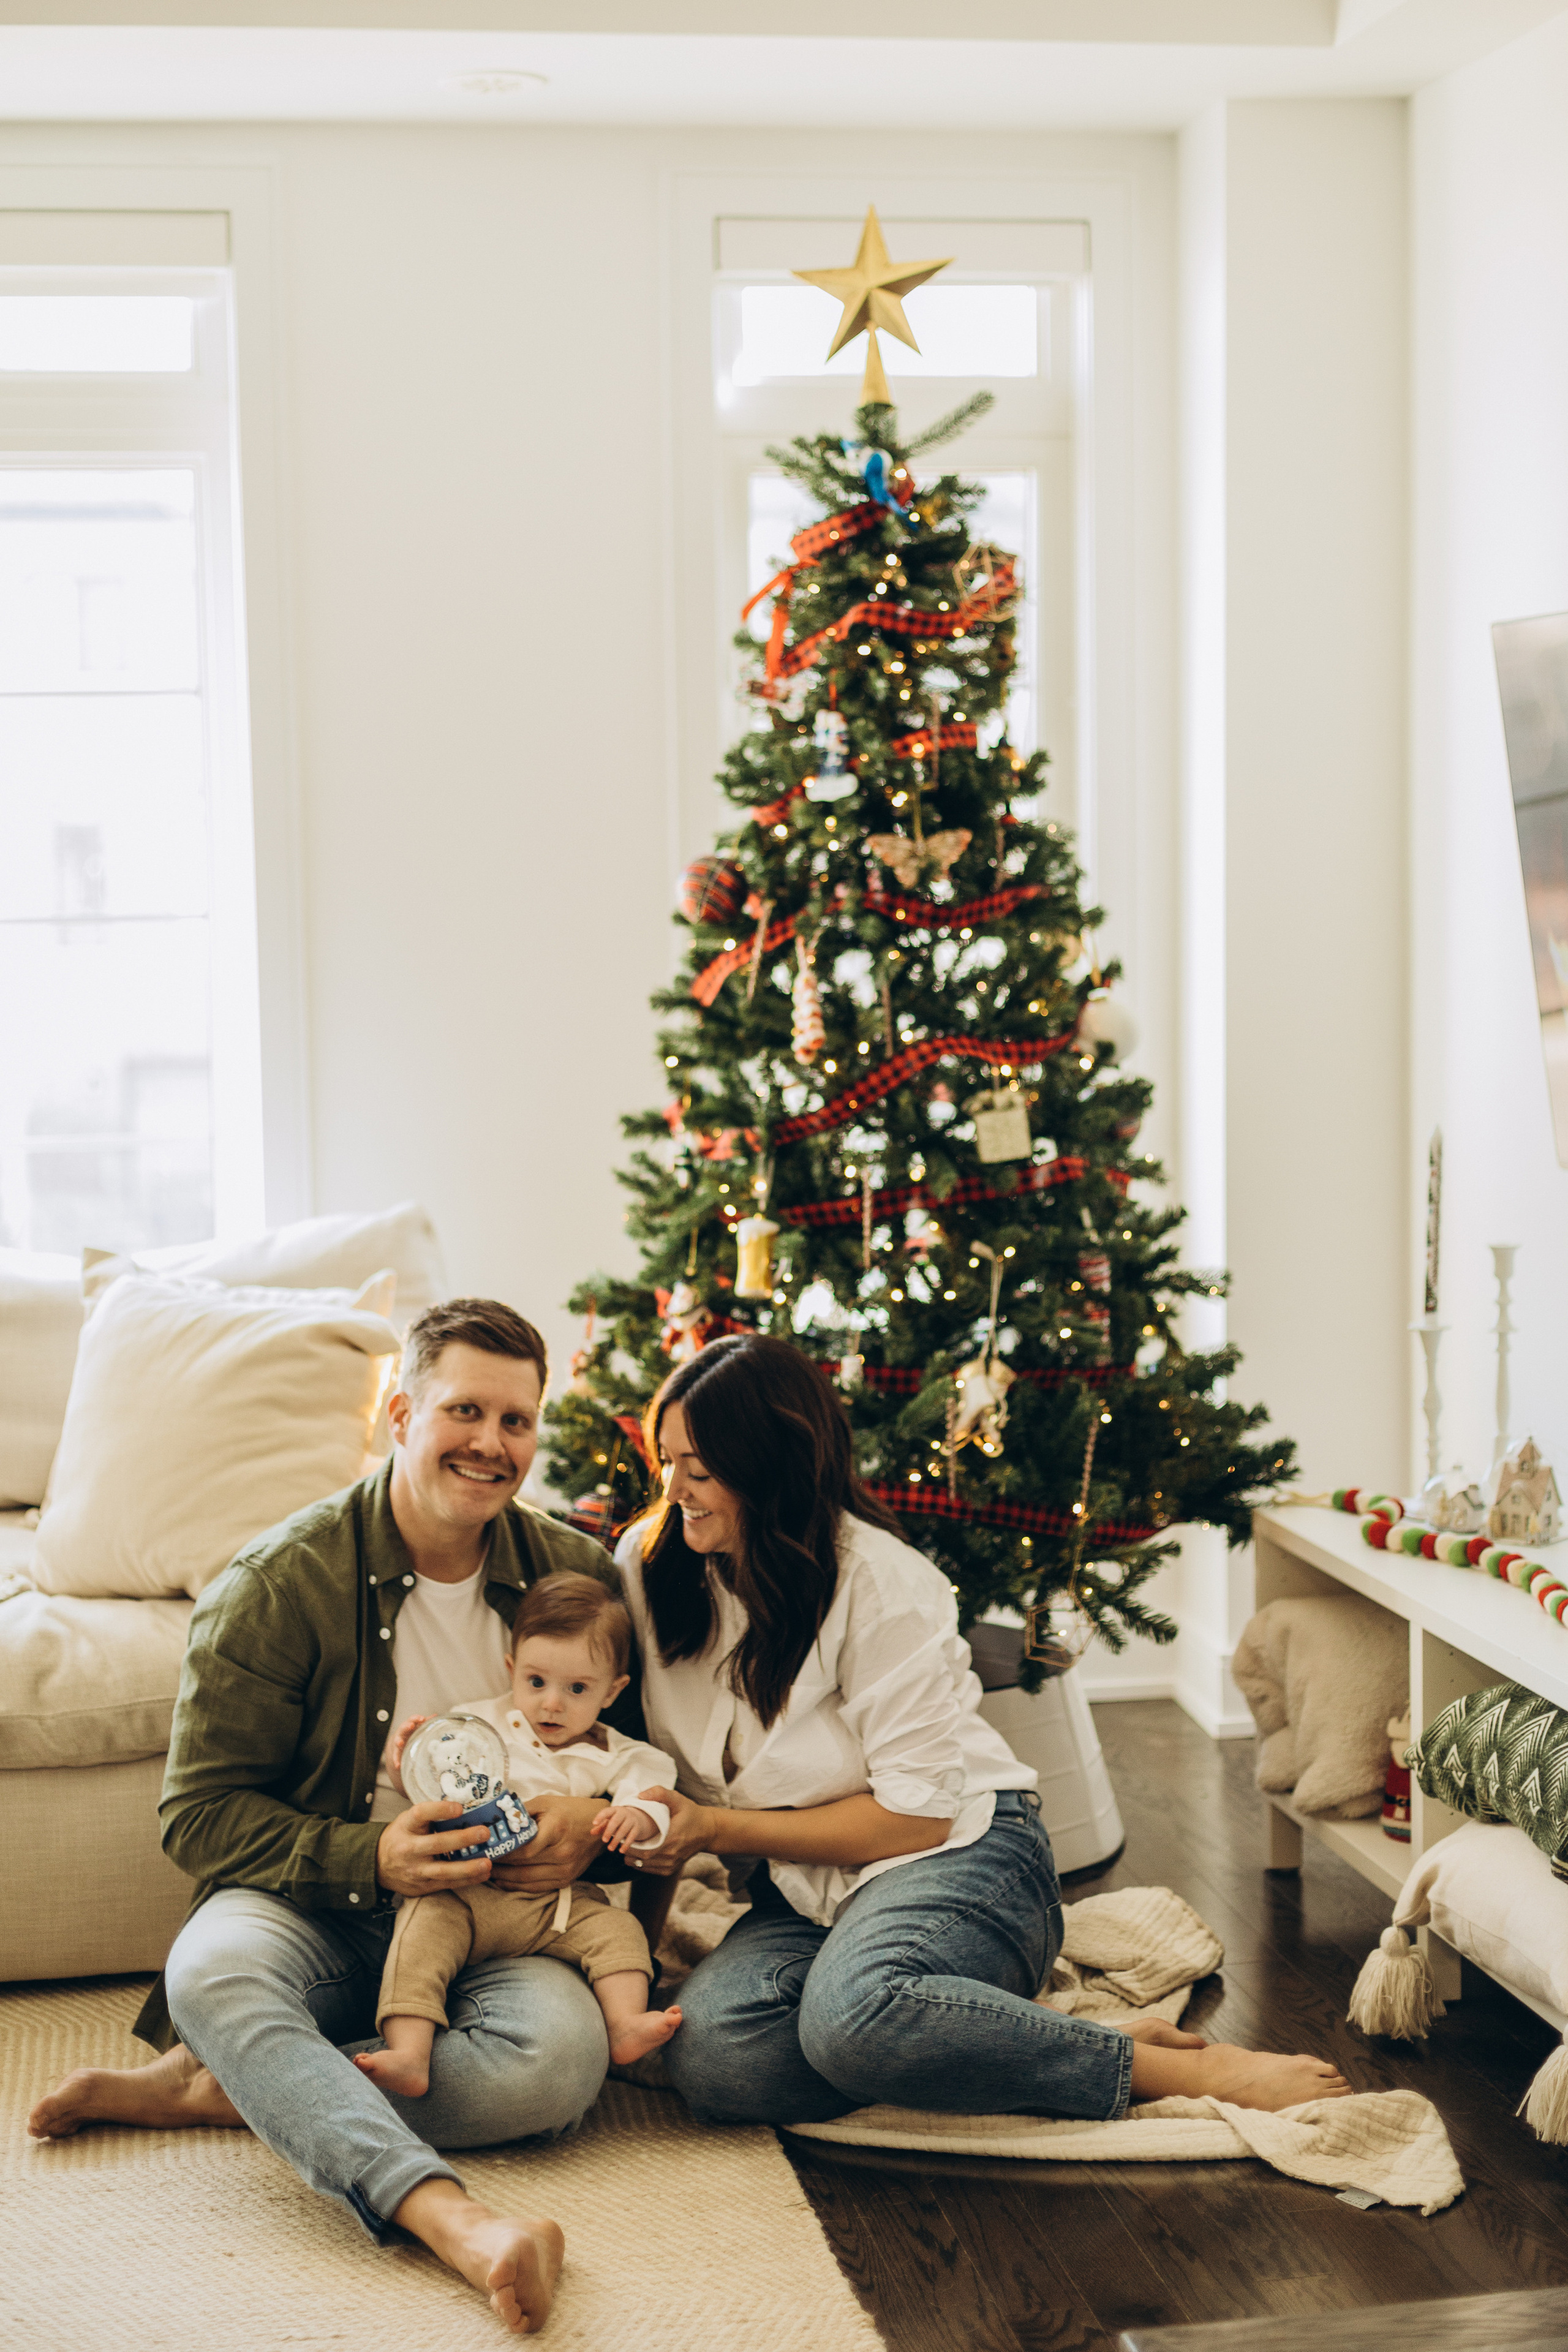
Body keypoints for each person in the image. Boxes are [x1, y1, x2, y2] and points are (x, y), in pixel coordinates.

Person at [28, 1297, 657, 2337]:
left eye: (517, 1421)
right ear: (399, 1416)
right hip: (317, 1898)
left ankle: (233, 2083)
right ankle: (455, 2224)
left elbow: (636, 1781)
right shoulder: (279, 1584)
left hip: (500, 1922)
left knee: (557, 2067)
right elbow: (199, 1816)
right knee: (210, 1972)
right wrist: (373, 1856)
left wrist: (581, 1830)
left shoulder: (574, 1580)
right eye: (465, 1411)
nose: (492, 1445)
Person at [614, 1334, 1354, 2128]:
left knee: (851, 2020)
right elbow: (656, 1789)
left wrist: (715, 1829)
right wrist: (637, 1960)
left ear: (776, 1463)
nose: (677, 1488)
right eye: (668, 1461)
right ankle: (1008, 2033)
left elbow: (919, 1815)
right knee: (718, 2062)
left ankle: (1155, 2070)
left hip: (961, 1854)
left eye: (702, 1469)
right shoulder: (649, 1566)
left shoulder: (881, 1582)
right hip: (805, 1888)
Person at [359, 1570, 682, 2095]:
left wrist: (638, 1816)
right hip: (467, 1893)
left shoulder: (618, 1753)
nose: (552, 1704)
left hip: (556, 1906)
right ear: (512, 1670)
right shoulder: (478, 1727)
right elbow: (436, 1784)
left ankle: (625, 2024)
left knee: (621, 1932)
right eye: (536, 1682)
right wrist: (405, 1764)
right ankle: (409, 2052)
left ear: (612, 1691)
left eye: (577, 1689)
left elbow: (654, 1790)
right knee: (418, 1931)